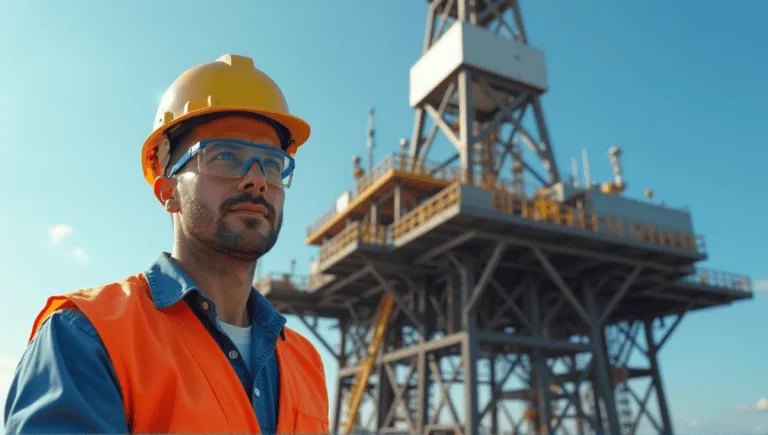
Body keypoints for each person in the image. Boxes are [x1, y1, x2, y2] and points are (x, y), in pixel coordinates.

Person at [3, 54, 329, 434]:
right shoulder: (86, 335)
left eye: (272, 164)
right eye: (225, 156)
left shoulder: (305, 362)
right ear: (167, 192)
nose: (256, 180)